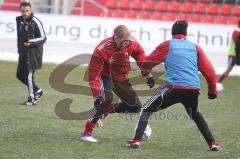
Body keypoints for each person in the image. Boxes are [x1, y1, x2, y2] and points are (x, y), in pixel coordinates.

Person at [125, 21, 221, 151]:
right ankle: (213, 144)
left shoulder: (168, 45)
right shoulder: (195, 47)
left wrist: (147, 74)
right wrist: (212, 91)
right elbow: (209, 71)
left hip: (174, 88)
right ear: (186, 34)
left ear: (172, 33)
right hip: (193, 89)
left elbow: (146, 63)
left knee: (145, 109)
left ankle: (135, 141)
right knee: (195, 114)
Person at [80, 25, 154, 143]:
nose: (126, 44)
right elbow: (93, 74)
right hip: (105, 76)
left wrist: (148, 74)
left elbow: (141, 57)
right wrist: (96, 96)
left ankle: (108, 109)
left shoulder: (132, 42)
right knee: (105, 100)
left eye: (128, 41)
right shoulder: (102, 49)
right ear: (116, 37)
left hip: (121, 77)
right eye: (123, 41)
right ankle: (86, 133)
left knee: (135, 107)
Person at [16, 1, 47, 106]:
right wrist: (20, 50)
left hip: (33, 54)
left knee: (29, 76)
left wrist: (31, 42)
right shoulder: (19, 20)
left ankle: (32, 99)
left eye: (27, 11)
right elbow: (19, 38)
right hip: (23, 53)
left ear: (30, 10)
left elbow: (43, 37)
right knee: (19, 75)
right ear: (20, 11)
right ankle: (37, 90)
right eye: (23, 11)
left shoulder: (35, 21)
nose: (25, 13)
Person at [217, 20, 240, 89]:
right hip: (233, 53)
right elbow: (236, 41)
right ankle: (218, 82)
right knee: (229, 69)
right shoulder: (237, 31)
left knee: (229, 69)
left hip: (236, 53)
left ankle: (219, 82)